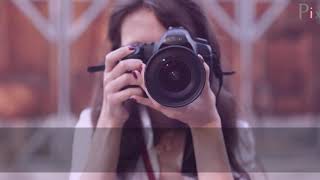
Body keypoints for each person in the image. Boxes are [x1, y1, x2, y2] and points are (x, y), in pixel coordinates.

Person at [70, 0, 252, 180]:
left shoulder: (233, 129)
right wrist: (110, 123)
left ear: (204, 57)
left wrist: (206, 126)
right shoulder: (92, 124)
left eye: (172, 51)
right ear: (116, 58)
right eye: (140, 50)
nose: (159, 65)